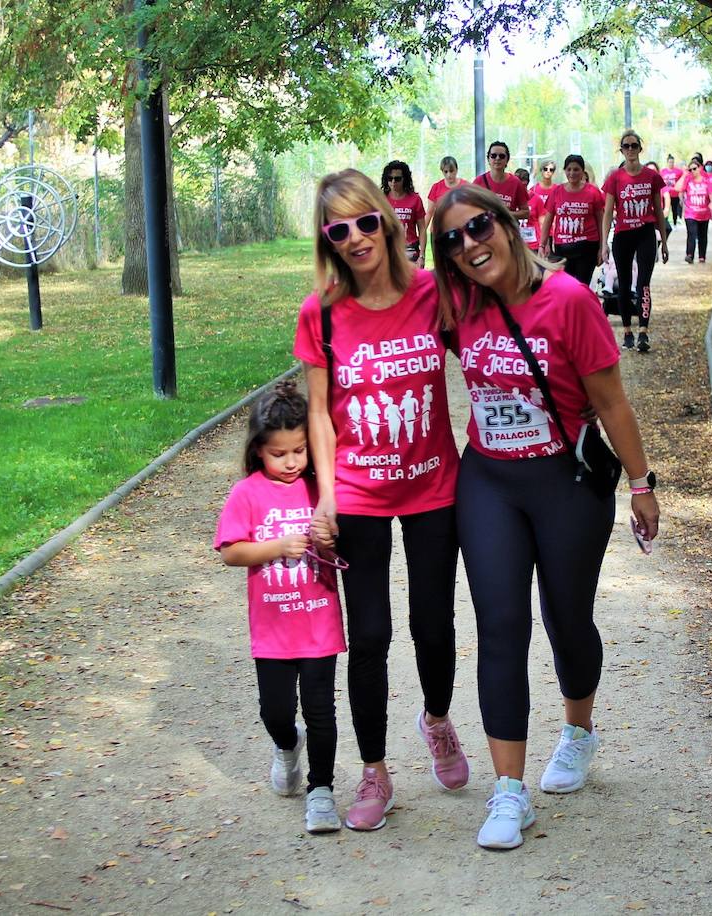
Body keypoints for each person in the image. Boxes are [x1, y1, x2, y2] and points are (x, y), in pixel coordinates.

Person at [429, 183, 661, 851]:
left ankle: (579, 732)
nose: (469, 245)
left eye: (478, 228)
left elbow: (612, 403)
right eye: (451, 239)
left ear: (506, 223)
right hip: (490, 483)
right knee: (500, 626)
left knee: (566, 618)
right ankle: (509, 793)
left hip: (566, 484)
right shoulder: (458, 305)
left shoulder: (567, 300)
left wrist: (642, 485)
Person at [293, 169, 469, 832]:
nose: (357, 236)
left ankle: (436, 719)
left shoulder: (431, 293)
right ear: (327, 241)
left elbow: (483, 352)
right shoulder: (322, 313)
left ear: (388, 221)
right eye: (339, 229)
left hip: (433, 485)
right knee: (368, 636)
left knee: (434, 622)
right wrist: (326, 498)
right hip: (359, 496)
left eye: (366, 221)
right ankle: (374, 771)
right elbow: (318, 413)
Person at [215, 381, 347, 834]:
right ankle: (288, 746)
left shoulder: (320, 490)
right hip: (272, 630)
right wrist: (275, 546)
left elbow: (337, 551)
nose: (291, 462)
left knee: (322, 712)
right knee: (275, 712)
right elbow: (232, 551)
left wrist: (326, 540)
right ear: (258, 452)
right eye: (279, 453)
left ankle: (322, 790)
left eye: (299, 451)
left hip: (318, 625)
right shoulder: (247, 494)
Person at [599, 130, 668, 354]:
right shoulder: (615, 178)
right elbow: (608, 212)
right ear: (621, 150)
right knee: (626, 282)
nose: (630, 149)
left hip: (645, 232)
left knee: (643, 284)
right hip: (623, 234)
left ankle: (643, 331)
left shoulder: (651, 176)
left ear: (640, 148)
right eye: (626, 146)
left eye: (633, 145)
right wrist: (604, 244)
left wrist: (664, 243)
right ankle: (627, 329)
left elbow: (658, 211)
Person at [540, 153, 605, 287]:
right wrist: (543, 244)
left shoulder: (593, 192)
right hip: (563, 248)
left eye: (576, 169)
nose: (572, 173)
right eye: (569, 169)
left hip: (587, 247)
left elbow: (601, 221)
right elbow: (548, 220)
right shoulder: (557, 191)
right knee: (565, 286)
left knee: (581, 286)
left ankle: (581, 308)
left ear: (582, 172)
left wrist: (602, 247)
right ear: (564, 171)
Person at [474, 140, 530, 224]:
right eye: (493, 156)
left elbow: (526, 213)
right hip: (485, 232)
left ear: (507, 160)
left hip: (507, 233)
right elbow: (469, 208)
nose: (497, 158)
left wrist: (505, 214)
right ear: (488, 159)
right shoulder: (478, 182)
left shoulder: (515, 182)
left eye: (502, 156)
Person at [382, 160, 427, 262]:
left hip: (410, 250)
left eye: (397, 179)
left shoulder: (415, 199)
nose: (393, 182)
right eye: (390, 178)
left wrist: (422, 256)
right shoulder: (381, 199)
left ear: (404, 179)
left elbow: (422, 228)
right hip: (388, 249)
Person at [674, 155, 712, 264]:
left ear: (700, 168)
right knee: (691, 234)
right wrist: (684, 175)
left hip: (704, 213)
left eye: (694, 168)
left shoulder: (706, 181)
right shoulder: (688, 180)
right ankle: (690, 255)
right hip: (690, 213)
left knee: (702, 235)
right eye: (690, 169)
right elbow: (677, 188)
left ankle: (702, 256)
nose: (692, 171)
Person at [424, 156, 467, 238]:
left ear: (456, 170)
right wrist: (422, 232)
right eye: (445, 171)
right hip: (439, 231)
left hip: (459, 230)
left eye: (451, 171)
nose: (449, 175)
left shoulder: (465, 186)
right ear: (442, 171)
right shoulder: (436, 187)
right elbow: (430, 212)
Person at [513, 167, 540, 251]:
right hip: (516, 244)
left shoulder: (536, 198)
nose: (521, 189)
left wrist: (544, 244)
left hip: (533, 245)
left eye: (524, 185)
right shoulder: (510, 199)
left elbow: (542, 222)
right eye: (518, 186)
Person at [659, 155, 683, 227]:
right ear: (667, 162)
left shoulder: (678, 171)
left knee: (674, 209)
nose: (671, 163)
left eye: (672, 162)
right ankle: (664, 223)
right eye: (669, 162)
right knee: (665, 209)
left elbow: (682, 180)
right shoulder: (662, 171)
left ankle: (675, 223)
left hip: (675, 194)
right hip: (665, 194)